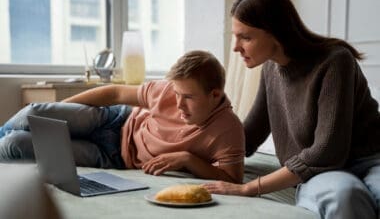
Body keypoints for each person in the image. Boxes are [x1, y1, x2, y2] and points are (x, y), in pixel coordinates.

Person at [203, 0, 380, 219]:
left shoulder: (335, 61)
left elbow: (326, 152)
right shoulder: (270, 69)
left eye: (246, 37)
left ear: (276, 32)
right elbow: (248, 135)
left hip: (369, 160)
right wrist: (188, 155)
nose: (236, 47)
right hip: (322, 175)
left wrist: (249, 188)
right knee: (346, 194)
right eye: (235, 35)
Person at [0, 50, 245, 183]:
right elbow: (115, 92)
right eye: (177, 94)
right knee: (33, 113)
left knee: (16, 144)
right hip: (115, 119)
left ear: (214, 95)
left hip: (114, 156)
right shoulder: (167, 90)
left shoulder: (229, 129)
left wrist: (188, 159)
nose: (178, 104)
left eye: (189, 98)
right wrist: (59, 114)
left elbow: (232, 178)